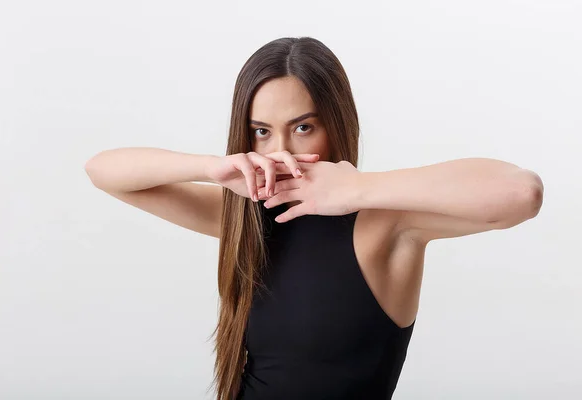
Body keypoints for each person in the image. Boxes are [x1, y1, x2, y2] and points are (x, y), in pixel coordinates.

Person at [84, 37, 544, 400]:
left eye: (303, 127)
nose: (281, 151)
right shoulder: (249, 220)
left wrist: (358, 188)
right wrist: (210, 168)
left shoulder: (387, 225)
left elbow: (520, 193)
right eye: (261, 132)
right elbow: (103, 171)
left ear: (336, 123)